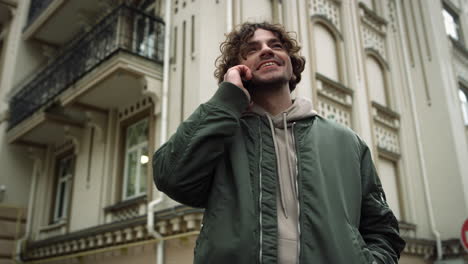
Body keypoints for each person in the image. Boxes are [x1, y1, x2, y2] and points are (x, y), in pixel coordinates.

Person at [152, 22, 405, 264]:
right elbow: (170, 177)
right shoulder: (220, 136)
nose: (265, 50)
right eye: (252, 49)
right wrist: (227, 99)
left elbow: (382, 229)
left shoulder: (346, 142)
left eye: (276, 45)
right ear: (238, 70)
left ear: (292, 67)